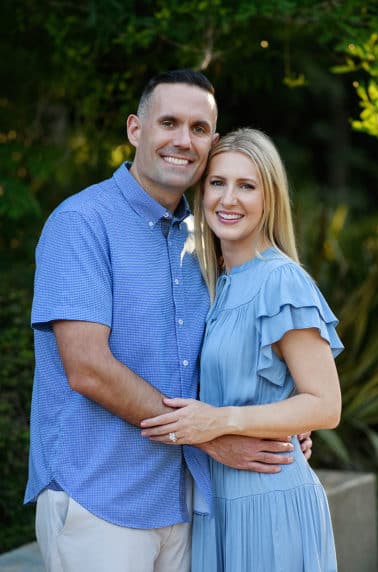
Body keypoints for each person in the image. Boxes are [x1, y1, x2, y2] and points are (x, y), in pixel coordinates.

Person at [26, 70, 312, 572]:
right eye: (170, 123)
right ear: (137, 130)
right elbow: (87, 368)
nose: (184, 140)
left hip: (188, 502)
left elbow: (229, 356)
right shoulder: (81, 223)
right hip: (101, 498)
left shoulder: (206, 239)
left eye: (199, 128)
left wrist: (279, 420)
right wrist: (213, 436)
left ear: (213, 141)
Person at [140, 127, 343, 571]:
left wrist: (221, 421)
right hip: (217, 504)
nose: (228, 199)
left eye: (246, 186)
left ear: (268, 198)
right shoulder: (215, 283)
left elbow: (326, 405)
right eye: (218, 183)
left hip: (270, 505)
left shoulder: (282, 280)